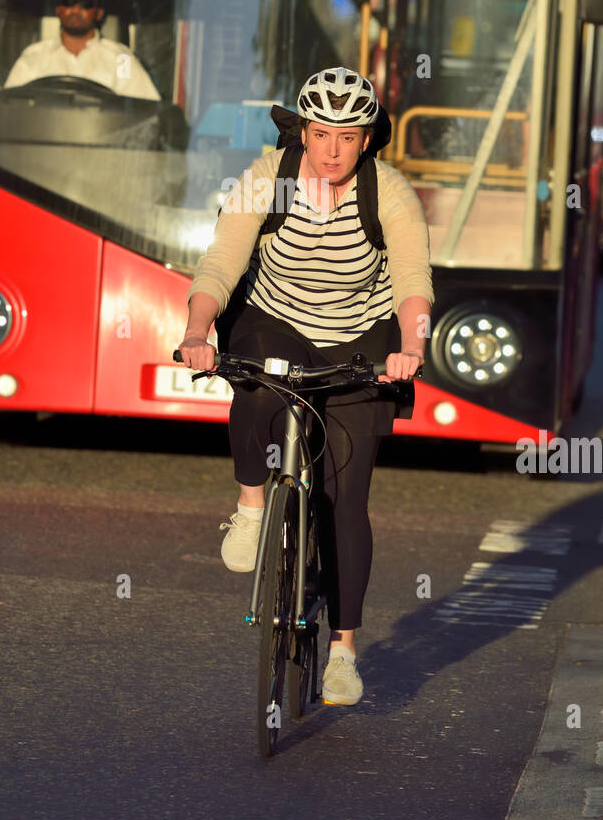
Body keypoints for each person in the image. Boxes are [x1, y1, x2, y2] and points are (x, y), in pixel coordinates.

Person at [176, 68, 434, 707]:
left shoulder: (390, 193)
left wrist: (411, 348)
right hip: (278, 319)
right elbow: (223, 258)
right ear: (304, 131)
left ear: (368, 139)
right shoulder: (267, 177)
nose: (332, 150)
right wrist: (196, 331)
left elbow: (413, 282)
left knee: (346, 501)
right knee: (257, 382)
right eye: (321, 134)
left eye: (348, 137)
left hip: (361, 336)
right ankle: (250, 506)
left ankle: (343, 650)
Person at [4, 0, 160, 99]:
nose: (76, 10)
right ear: (58, 10)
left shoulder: (121, 59)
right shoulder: (33, 58)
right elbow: (8, 105)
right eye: (68, 2)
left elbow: (143, 108)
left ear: (99, 13)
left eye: (86, 4)